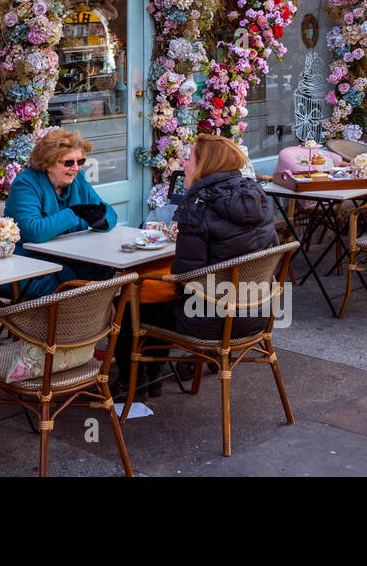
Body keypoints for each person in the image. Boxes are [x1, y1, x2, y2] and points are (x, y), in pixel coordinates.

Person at [114, 134, 278, 397]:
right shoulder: (256, 197)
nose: (184, 163)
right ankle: (154, 377)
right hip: (257, 313)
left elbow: (185, 277)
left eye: (189, 158)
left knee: (133, 299)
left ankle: (133, 382)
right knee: (159, 296)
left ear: (205, 165)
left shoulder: (200, 204)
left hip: (213, 322)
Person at [5, 128, 117, 297]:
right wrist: (73, 212)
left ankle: (100, 320)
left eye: (80, 161)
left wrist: (100, 221)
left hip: (67, 256)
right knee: (66, 282)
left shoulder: (77, 180)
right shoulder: (26, 184)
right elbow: (35, 231)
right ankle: (70, 322)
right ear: (48, 164)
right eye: (68, 163)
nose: (76, 168)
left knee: (106, 269)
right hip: (26, 262)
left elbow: (108, 211)